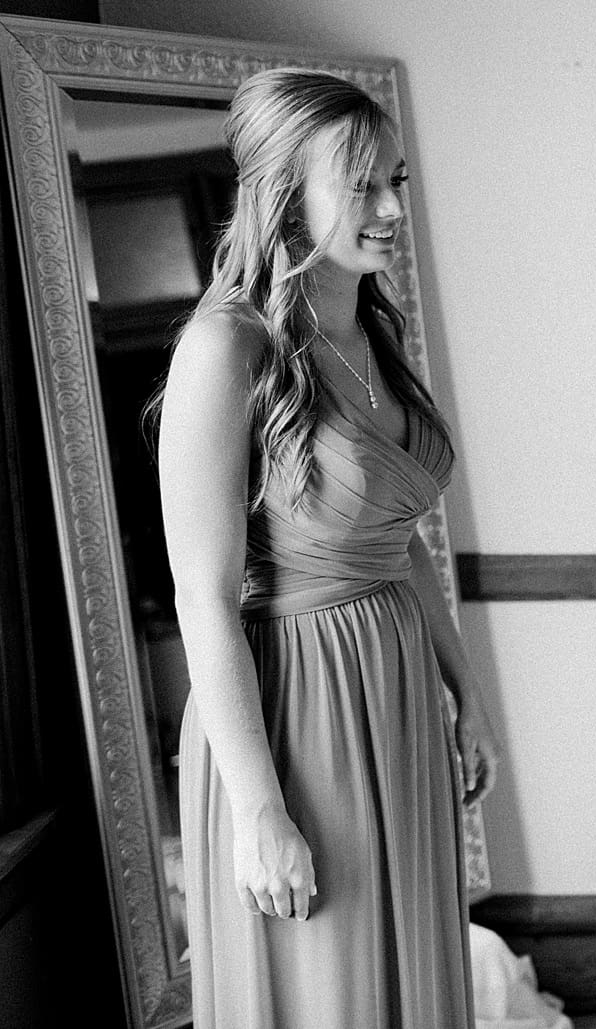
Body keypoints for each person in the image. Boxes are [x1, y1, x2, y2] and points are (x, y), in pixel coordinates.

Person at [154, 68, 498, 1028]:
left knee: (410, 973)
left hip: (396, 691)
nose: (392, 208)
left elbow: (396, 537)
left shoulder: (372, 327)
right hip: (294, 713)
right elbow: (202, 597)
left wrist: (465, 689)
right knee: (329, 989)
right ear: (285, 194)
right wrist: (259, 807)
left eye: (396, 180)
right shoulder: (226, 348)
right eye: (363, 186)